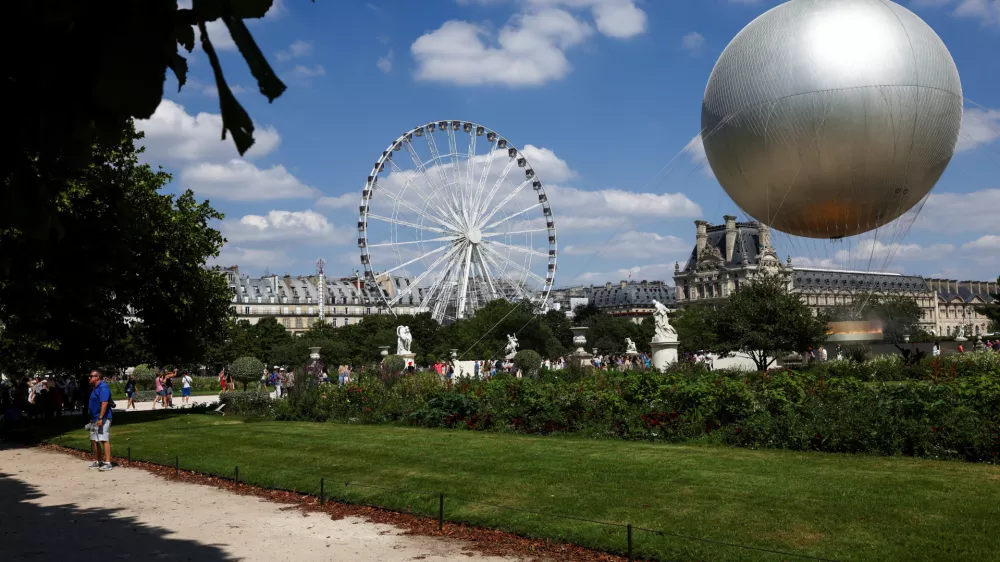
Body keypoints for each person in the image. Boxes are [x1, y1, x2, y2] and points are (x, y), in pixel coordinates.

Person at [87, 369, 113, 471]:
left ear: (97, 377)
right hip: (94, 418)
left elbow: (104, 403)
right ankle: (98, 461)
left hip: (103, 418)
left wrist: (101, 418)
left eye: (91, 376)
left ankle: (108, 463)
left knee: (103, 439)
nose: (89, 378)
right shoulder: (95, 388)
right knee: (93, 440)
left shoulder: (103, 387)